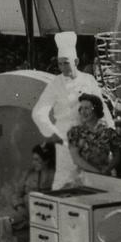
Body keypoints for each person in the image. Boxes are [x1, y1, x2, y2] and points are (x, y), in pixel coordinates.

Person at [31, 32, 111, 189]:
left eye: (66, 63)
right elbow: (38, 112)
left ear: (76, 61)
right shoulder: (56, 83)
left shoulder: (89, 80)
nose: (62, 68)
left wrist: (109, 129)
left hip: (88, 136)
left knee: (91, 180)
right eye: (60, 64)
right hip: (66, 137)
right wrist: (55, 134)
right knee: (64, 180)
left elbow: (101, 107)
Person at [67, 94, 121, 177]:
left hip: (104, 178)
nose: (83, 112)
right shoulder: (75, 132)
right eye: (81, 108)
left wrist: (107, 169)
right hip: (82, 179)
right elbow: (76, 159)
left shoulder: (109, 132)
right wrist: (98, 172)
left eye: (86, 108)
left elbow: (117, 155)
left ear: (96, 110)